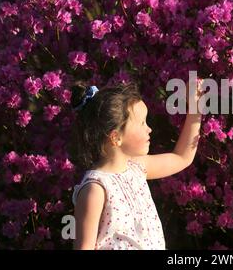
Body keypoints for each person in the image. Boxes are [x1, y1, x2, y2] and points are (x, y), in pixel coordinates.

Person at [69, 80, 203, 249]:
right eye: (142, 123)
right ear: (116, 137)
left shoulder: (137, 168)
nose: (149, 129)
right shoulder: (95, 189)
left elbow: (182, 157)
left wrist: (196, 108)